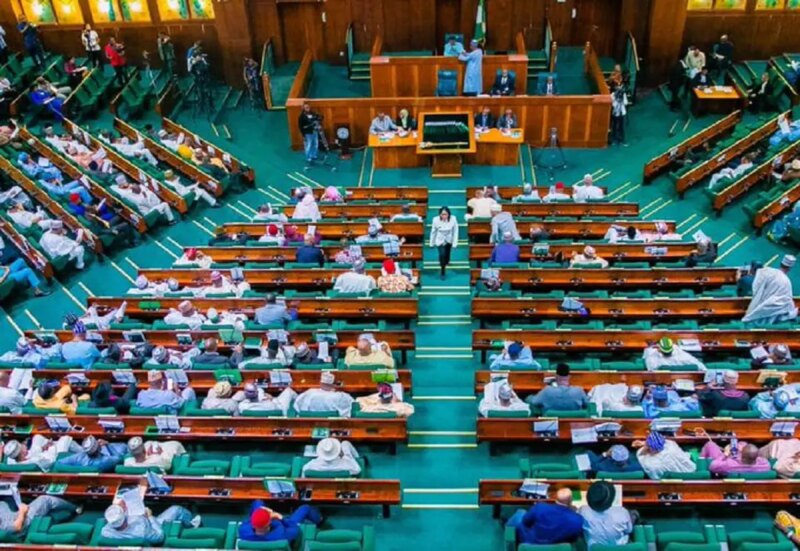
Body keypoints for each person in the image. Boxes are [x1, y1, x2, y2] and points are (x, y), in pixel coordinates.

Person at [102, 485, 199, 544]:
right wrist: (150, 516)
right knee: (176, 509)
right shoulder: (142, 531)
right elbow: (159, 536)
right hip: (152, 525)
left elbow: (115, 519)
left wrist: (123, 509)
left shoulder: (105, 532)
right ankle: (192, 524)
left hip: (140, 521)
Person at [506, 488, 583, 545]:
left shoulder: (540, 507)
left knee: (521, 512)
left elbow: (526, 522)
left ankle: (507, 527)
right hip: (556, 547)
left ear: (556, 499)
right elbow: (572, 538)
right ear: (571, 501)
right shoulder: (577, 520)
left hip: (530, 543)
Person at [742, 254, 797, 326]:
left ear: (781, 263)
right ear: (790, 268)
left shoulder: (768, 272)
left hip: (759, 305)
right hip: (772, 315)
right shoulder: (786, 282)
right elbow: (785, 301)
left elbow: (756, 285)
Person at [578, 481, 635, 548]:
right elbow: (629, 530)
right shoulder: (622, 512)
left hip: (594, 548)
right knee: (634, 514)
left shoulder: (583, 511)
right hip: (620, 548)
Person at [238, 502, 321, 543]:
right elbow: (295, 528)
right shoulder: (282, 536)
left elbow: (247, 522)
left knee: (258, 502)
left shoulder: (243, 532)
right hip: (286, 524)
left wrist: (260, 514)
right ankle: (320, 520)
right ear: (269, 522)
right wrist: (281, 518)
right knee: (305, 508)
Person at [0, 495, 79, 536]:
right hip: (24, 521)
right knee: (45, 500)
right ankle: (75, 508)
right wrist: (22, 511)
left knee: (3, 502)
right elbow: (17, 527)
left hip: (10, 515)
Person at [4, 435, 79, 472]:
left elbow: (31, 454)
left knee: (37, 437)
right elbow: (51, 460)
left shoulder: (11, 461)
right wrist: (50, 448)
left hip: (43, 454)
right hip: (54, 458)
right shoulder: (35, 461)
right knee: (65, 438)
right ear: (22, 452)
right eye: (22, 445)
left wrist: (43, 448)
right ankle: (85, 453)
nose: (23, 444)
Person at [701, 438, 771, 477]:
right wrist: (741, 452)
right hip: (743, 462)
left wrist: (725, 454)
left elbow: (713, 466)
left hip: (724, 461)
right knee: (743, 443)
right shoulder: (765, 465)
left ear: (742, 457)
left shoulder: (728, 465)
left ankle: (699, 466)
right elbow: (758, 459)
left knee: (710, 444)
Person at [55, 435, 126, 472]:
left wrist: (77, 469)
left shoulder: (80, 457)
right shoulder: (105, 461)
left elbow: (59, 463)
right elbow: (120, 459)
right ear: (98, 448)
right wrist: (108, 444)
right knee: (122, 446)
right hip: (107, 472)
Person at [642, 337, 707, 372]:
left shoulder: (653, 359)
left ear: (660, 349)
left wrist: (650, 348)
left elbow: (650, 369)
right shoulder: (684, 357)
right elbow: (701, 366)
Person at [430, 206, 458, 279]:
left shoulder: (453, 219)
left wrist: (455, 243)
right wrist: (431, 243)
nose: (444, 216)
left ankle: (446, 261)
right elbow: (433, 231)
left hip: (449, 239)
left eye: (445, 214)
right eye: (442, 214)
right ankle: (443, 269)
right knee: (442, 254)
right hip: (440, 239)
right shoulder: (435, 220)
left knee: (447, 254)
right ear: (440, 214)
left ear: (448, 214)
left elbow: (455, 231)